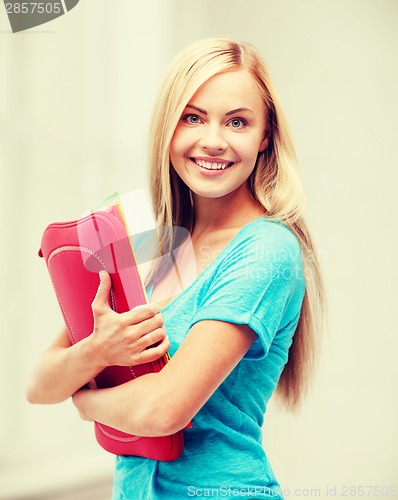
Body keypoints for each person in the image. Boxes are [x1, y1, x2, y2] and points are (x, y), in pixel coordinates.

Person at [26, 38, 325, 499]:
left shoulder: (266, 250)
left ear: (265, 138)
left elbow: (167, 409)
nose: (212, 140)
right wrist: (96, 351)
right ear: (169, 128)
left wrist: (84, 402)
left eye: (238, 122)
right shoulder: (155, 244)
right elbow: (39, 384)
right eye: (193, 117)